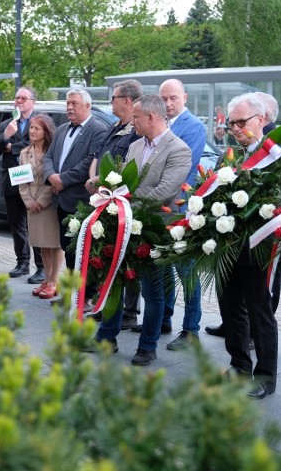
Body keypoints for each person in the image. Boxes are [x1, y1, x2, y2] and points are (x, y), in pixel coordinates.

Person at [89, 94, 191, 366]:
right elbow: (122, 180)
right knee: (114, 280)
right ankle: (106, 337)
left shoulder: (179, 149)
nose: (131, 121)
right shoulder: (134, 146)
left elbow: (164, 192)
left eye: (135, 117)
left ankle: (147, 346)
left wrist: (127, 203)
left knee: (152, 291)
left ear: (151, 117)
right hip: (124, 224)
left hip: (154, 229)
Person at [219, 93, 279, 399]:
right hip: (226, 246)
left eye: (243, 122)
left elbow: (276, 200)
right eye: (232, 123)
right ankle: (239, 366)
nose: (237, 128)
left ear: (262, 119)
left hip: (258, 247)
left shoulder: (277, 154)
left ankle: (265, 376)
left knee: (260, 312)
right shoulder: (228, 156)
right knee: (230, 310)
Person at [85, 79, 141, 326]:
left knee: (126, 256)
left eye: (114, 98)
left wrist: (99, 180)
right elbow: (99, 155)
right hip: (102, 195)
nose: (111, 103)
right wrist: (92, 180)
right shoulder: (115, 125)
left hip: (121, 200)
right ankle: (105, 303)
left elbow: (124, 165)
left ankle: (128, 312)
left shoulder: (135, 131)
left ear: (127, 100)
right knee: (107, 255)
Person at [158, 78, 208, 351]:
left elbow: (184, 170)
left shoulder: (193, 127)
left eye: (173, 98)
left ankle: (191, 329)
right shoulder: (162, 125)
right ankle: (164, 318)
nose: (168, 103)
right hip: (161, 208)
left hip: (179, 208)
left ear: (184, 98)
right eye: (164, 98)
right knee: (163, 266)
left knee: (187, 271)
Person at [43, 89, 108, 278]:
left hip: (79, 200)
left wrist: (62, 180)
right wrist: (51, 176)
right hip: (60, 198)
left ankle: (83, 296)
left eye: (74, 104)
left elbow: (89, 162)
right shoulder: (62, 128)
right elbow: (48, 157)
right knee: (66, 246)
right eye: (68, 103)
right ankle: (71, 292)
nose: (69, 107)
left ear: (87, 106)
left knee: (81, 250)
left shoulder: (98, 129)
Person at [0, 87, 44, 282]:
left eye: (23, 98)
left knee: (36, 226)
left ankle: (41, 267)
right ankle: (22, 262)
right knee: (17, 225)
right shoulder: (8, 123)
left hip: (33, 181)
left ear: (33, 101)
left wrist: (11, 147)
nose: (19, 101)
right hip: (12, 180)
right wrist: (6, 136)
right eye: (17, 98)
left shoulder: (40, 121)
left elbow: (38, 144)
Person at [19, 114, 63, 299]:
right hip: (32, 206)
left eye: (37, 128)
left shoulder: (52, 152)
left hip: (49, 203)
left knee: (55, 244)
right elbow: (21, 182)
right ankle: (46, 278)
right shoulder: (24, 153)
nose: (33, 131)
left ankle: (54, 281)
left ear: (46, 131)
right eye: (31, 128)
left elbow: (53, 180)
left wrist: (41, 201)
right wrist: (29, 201)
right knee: (42, 245)